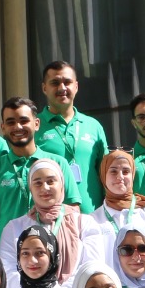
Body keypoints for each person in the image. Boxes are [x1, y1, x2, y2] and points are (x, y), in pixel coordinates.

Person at [0, 97, 82, 243]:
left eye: (24, 121)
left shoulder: (58, 163)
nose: (18, 127)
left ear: (36, 124)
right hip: (7, 249)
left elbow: (72, 211)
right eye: (10, 122)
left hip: (50, 248)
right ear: (3, 128)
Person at [0, 158, 90, 284]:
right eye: (38, 183)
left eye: (51, 181)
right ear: (31, 188)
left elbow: (91, 267)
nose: (45, 188)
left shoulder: (83, 223)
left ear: (61, 184)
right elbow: (8, 273)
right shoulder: (14, 228)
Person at [35, 60, 105, 211]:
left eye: (67, 82)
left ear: (76, 86)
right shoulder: (35, 126)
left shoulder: (93, 126)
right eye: (55, 83)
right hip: (51, 218)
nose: (62, 88)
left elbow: (106, 174)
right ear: (44, 88)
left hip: (93, 217)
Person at [92, 148, 145, 265]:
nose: (120, 177)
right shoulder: (93, 219)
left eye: (125, 172)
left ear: (133, 175)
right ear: (103, 175)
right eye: (113, 171)